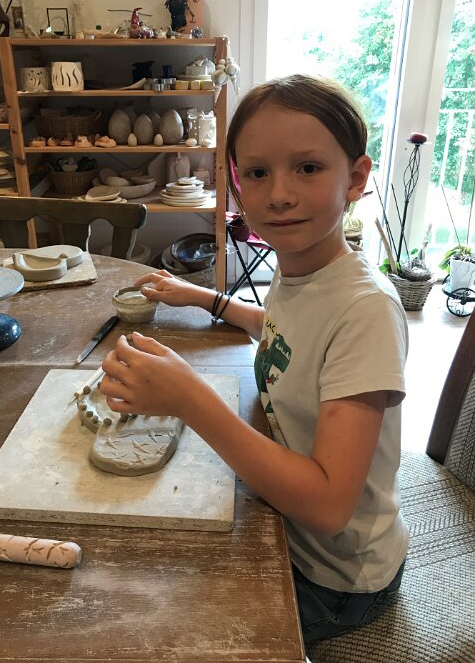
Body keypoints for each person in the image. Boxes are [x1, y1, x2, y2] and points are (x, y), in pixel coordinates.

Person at [100, 74, 409, 647]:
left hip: (336, 576)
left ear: (355, 178)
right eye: (258, 173)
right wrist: (208, 300)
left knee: (156, 624)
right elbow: (289, 333)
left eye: (308, 167)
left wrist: (191, 400)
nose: (279, 194)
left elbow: (328, 507)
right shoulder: (303, 269)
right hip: (285, 520)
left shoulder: (367, 311)